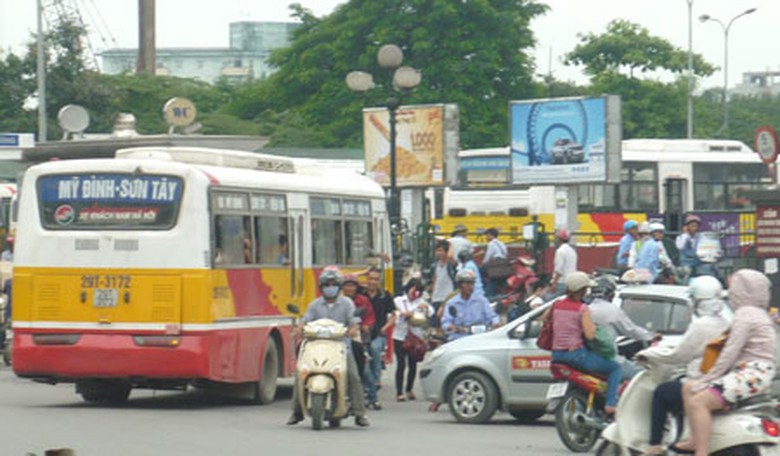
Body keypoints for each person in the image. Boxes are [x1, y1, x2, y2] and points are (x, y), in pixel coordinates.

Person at [675, 270, 776, 456]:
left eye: (733, 288)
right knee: (689, 386)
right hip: (755, 373)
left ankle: (701, 450)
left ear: (741, 291)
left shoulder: (745, 315)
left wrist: (710, 377)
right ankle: (693, 438)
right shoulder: (758, 314)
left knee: (698, 401)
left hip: (751, 374)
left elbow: (730, 351)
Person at [635, 276, 730, 456]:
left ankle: (655, 444)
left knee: (662, 392)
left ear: (696, 301)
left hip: (701, 381)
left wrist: (648, 354)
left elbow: (680, 355)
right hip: (720, 381)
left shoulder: (701, 325)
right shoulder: (725, 323)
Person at [287, 267, 370, 427]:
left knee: (353, 376)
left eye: (333, 284)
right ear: (321, 286)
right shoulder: (315, 304)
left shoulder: (347, 303)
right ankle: (296, 412)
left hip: (340, 346)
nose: (330, 287)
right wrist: (300, 328)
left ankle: (360, 414)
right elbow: (305, 320)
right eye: (327, 284)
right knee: (300, 373)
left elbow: (353, 321)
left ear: (339, 287)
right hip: (316, 346)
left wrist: (353, 329)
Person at [544, 271, 622, 414]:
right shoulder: (582, 309)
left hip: (556, 355)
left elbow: (544, 319)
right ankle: (610, 404)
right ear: (583, 290)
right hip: (576, 355)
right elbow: (590, 335)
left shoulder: (556, 305)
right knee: (615, 368)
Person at [587, 275, 654, 380]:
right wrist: (651, 337)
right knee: (643, 375)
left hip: (588, 357)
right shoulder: (612, 310)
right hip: (608, 357)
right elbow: (631, 330)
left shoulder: (587, 309)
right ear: (610, 294)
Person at [391, 273, 433, 402]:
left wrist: (424, 309)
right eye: (413, 289)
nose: (415, 293)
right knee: (401, 364)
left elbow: (430, 314)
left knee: (413, 364)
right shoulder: (398, 301)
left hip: (415, 337)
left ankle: (409, 388)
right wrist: (404, 314)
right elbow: (393, 316)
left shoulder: (421, 302)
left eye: (418, 291)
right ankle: (399, 391)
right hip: (400, 335)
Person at [362, 267, 395, 409]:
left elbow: (394, 315)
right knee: (363, 361)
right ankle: (369, 390)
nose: (372, 282)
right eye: (370, 279)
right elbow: (346, 277)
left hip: (378, 333)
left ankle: (375, 383)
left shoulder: (385, 296)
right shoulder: (360, 294)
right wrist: (362, 272)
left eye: (376, 279)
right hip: (363, 334)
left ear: (380, 281)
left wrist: (384, 328)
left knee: (375, 350)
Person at [441, 269, 500, 342]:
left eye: (472, 283)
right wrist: (451, 327)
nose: (471, 286)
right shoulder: (452, 303)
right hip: (459, 339)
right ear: (460, 285)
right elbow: (446, 322)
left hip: (480, 338)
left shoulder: (481, 301)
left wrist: (496, 323)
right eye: (468, 283)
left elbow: (492, 316)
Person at [341, 274, 376, 388]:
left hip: (356, 335)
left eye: (352, 286)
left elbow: (369, 316)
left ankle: (372, 396)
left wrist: (365, 325)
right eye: (347, 286)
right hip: (339, 335)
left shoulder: (363, 300)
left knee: (364, 369)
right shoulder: (338, 301)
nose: (350, 289)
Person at [430, 239, 456, 323]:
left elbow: (450, 257)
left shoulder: (450, 264)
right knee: (437, 320)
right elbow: (435, 279)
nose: (438, 253)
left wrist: (450, 245)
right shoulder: (435, 265)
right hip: (437, 296)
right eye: (437, 251)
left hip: (448, 295)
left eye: (441, 250)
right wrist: (433, 294)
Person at [482, 227, 508, 299]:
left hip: (496, 264)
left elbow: (488, 256)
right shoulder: (502, 243)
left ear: (491, 235)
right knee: (500, 280)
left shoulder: (491, 244)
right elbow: (506, 254)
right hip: (503, 264)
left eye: (487, 235)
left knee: (491, 279)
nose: (486, 237)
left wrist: (483, 263)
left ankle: (488, 295)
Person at [550, 229, 577, 295]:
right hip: (571, 282)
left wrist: (554, 284)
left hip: (561, 282)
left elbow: (559, 270)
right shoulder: (572, 251)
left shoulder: (560, 251)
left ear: (560, 239)